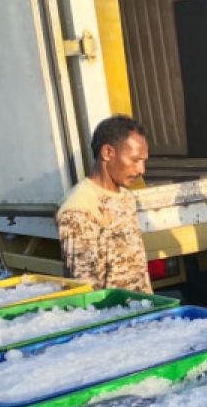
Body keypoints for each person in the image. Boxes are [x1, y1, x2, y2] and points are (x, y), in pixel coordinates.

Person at [57, 115, 152, 293]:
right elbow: (85, 288)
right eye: (135, 160)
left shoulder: (126, 197)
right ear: (107, 153)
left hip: (144, 311)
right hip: (113, 316)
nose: (141, 170)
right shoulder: (79, 209)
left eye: (144, 161)